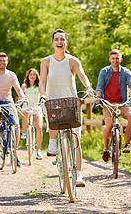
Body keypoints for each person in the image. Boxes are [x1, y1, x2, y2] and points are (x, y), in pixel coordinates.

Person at [39, 28, 93, 187]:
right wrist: (42, 94)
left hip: (71, 102)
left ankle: (78, 175)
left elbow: (82, 75)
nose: (59, 42)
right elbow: (42, 81)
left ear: (66, 42)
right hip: (54, 102)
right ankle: (53, 142)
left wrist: (88, 87)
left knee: (76, 139)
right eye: (57, 39)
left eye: (62, 39)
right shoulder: (46, 61)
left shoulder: (72, 61)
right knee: (53, 119)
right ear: (52, 43)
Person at [95, 49, 131, 163]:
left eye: (117, 58)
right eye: (113, 58)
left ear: (120, 59)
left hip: (122, 103)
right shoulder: (104, 71)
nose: (115, 60)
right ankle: (105, 149)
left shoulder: (126, 72)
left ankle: (126, 144)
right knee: (109, 125)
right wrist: (98, 97)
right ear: (110, 59)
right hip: (108, 104)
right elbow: (99, 87)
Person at [0, 52, 27, 167]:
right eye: (0, 60)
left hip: (8, 102)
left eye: (4, 60)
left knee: (16, 126)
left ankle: (14, 152)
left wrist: (23, 98)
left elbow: (18, 88)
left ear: (7, 62)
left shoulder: (11, 75)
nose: (2, 62)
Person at [20, 68, 44, 160]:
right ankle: (25, 132)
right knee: (25, 113)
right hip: (26, 106)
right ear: (28, 76)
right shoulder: (24, 86)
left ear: (36, 76)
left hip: (36, 107)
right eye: (31, 74)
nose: (32, 76)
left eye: (34, 74)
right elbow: (21, 97)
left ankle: (38, 150)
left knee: (39, 127)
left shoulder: (39, 86)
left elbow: (42, 94)